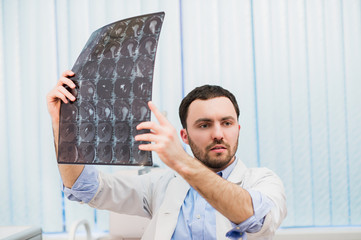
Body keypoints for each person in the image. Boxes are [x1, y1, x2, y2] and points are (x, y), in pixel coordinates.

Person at [47, 70, 287, 240]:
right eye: (204, 125)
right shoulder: (161, 184)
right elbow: (84, 187)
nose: (217, 134)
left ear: (238, 129)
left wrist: (181, 160)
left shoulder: (263, 181)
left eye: (226, 123)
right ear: (184, 136)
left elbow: (255, 218)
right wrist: (63, 127)